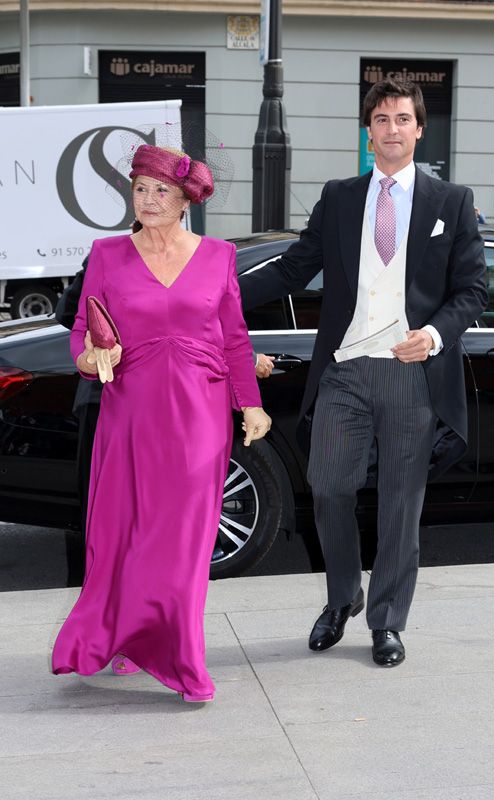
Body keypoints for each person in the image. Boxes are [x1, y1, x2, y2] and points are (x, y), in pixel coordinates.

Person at [239, 79, 488, 668]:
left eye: (403, 118)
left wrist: (431, 336)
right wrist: (214, 290)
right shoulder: (342, 195)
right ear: (368, 130)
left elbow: (473, 289)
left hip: (412, 375)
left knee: (402, 503)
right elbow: (296, 267)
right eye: (381, 119)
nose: (393, 129)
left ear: (420, 129)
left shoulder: (450, 202)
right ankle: (343, 594)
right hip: (345, 372)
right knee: (328, 488)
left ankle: (387, 622)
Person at [52, 144, 271, 702]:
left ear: (184, 201)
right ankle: (133, 636)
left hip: (201, 413)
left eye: (161, 192)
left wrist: (251, 404)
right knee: (127, 533)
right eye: (141, 189)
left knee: (183, 539)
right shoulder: (106, 254)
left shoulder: (219, 256)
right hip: (130, 412)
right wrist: (87, 358)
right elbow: (82, 330)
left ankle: (180, 656)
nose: (148, 200)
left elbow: (235, 339)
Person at [55, 265, 275, 542]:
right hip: (119, 398)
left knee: (134, 508)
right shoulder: (113, 258)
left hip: (136, 398)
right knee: (115, 510)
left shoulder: (176, 258)